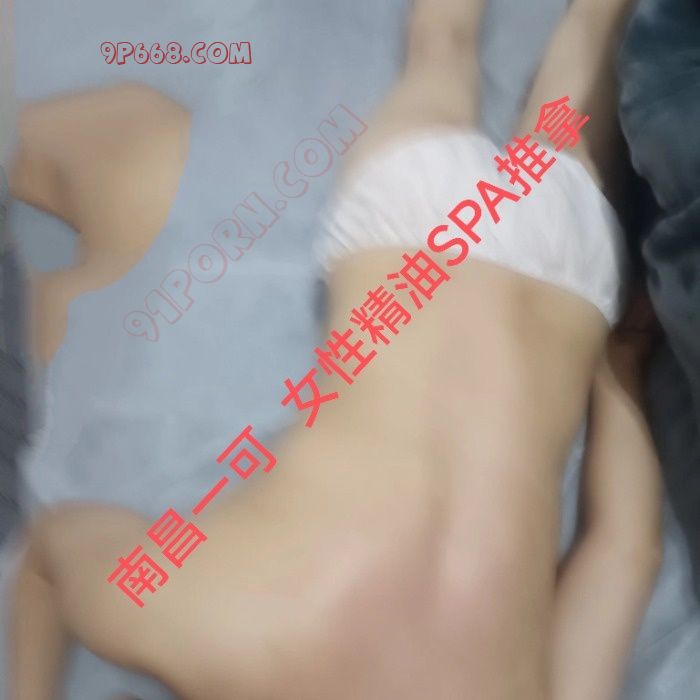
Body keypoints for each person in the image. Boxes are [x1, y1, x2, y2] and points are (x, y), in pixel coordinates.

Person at [9, 0, 661, 698]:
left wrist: (618, 368)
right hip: (411, 238)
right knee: (442, 46)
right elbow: (51, 552)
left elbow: (625, 553)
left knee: (572, 60)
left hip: (555, 276)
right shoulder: (217, 633)